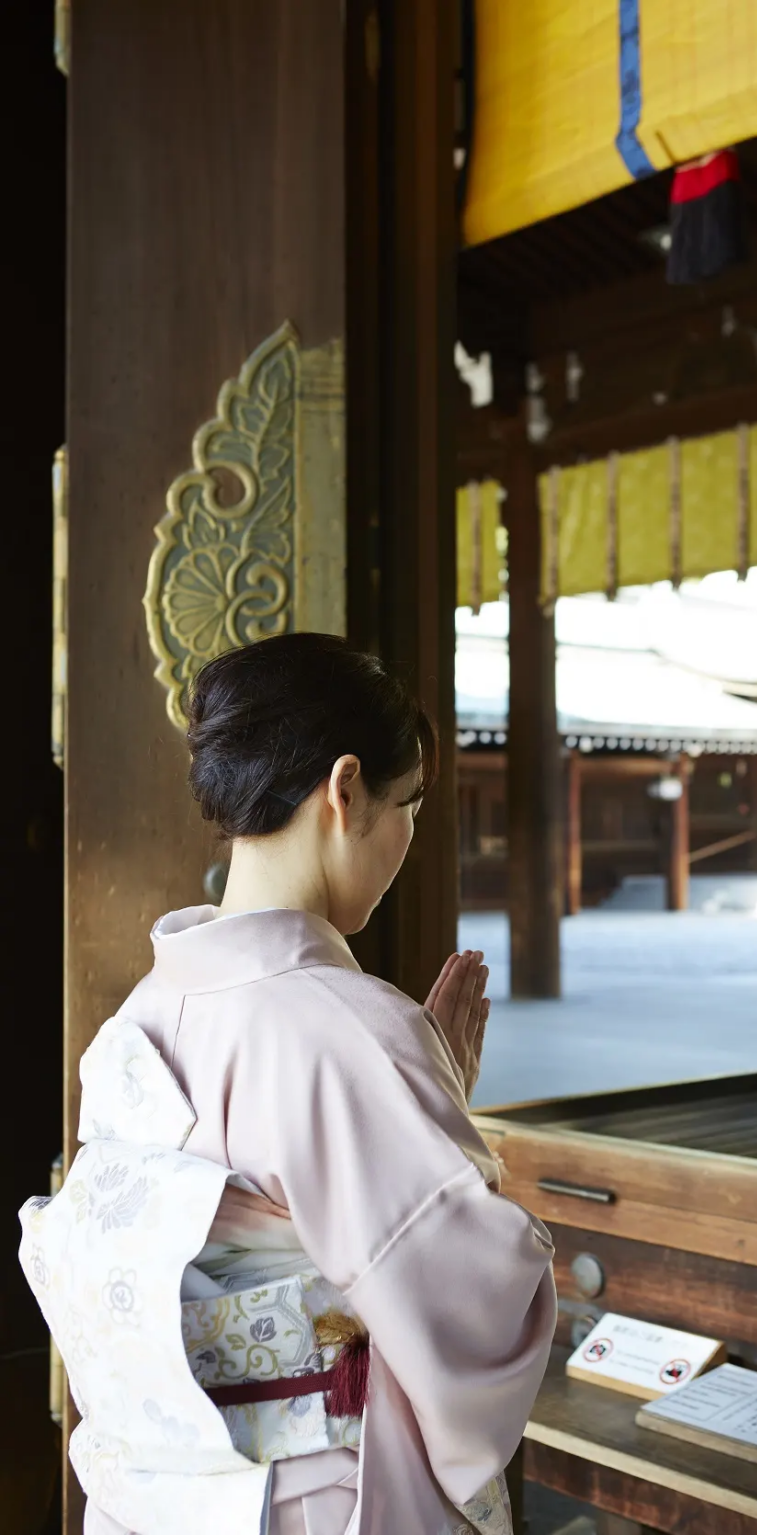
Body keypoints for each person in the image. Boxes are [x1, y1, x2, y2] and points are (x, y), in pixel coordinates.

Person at [20, 633, 556, 1535]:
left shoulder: (136, 1022)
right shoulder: (351, 1032)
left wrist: (420, 1103)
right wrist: (439, 1116)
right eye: (409, 804)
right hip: (308, 1501)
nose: (409, 838)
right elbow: (473, 1305)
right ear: (345, 791)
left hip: (144, 1499)